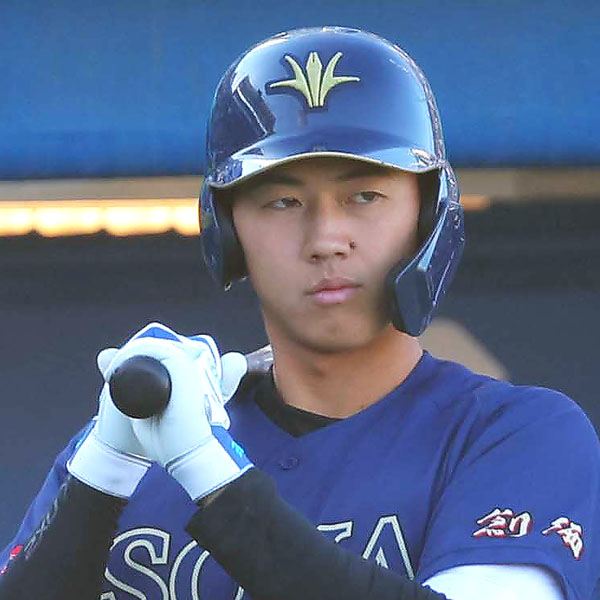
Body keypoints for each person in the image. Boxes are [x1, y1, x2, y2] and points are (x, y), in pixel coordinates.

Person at [1, 26, 599, 600]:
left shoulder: (517, 435)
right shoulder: (135, 443)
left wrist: (207, 470)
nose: (326, 239)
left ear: (427, 217)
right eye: (283, 201)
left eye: (364, 195)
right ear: (227, 231)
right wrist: (102, 473)